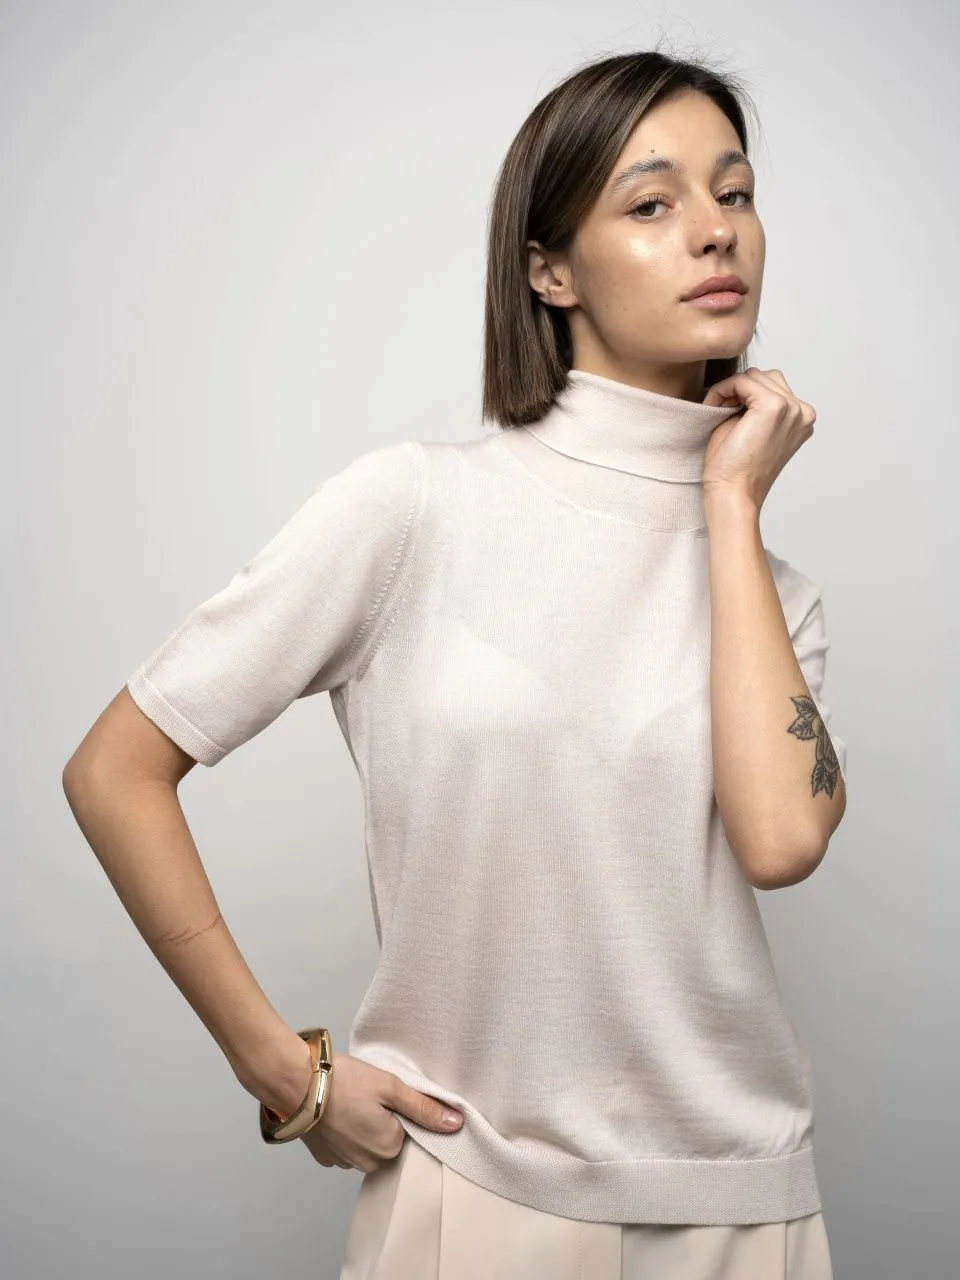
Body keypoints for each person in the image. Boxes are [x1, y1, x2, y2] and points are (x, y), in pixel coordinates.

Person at [63, 47, 847, 1280]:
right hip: (474, 1196)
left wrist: (731, 504)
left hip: (744, 1208)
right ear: (548, 270)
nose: (715, 231)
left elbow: (782, 840)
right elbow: (114, 768)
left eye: (735, 193)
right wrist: (286, 1071)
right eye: (652, 203)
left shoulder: (772, 591)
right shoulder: (416, 508)